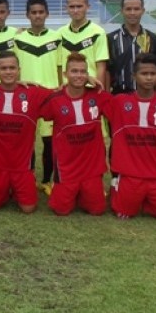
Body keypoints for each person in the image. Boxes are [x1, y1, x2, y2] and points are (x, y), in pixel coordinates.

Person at [0, 51, 50, 213]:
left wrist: (88, 81)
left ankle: (15, 188)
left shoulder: (33, 92)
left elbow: (63, 93)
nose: (8, 71)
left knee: (28, 209)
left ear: (19, 70)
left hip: (21, 166)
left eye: (12, 68)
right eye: (4, 68)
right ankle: (4, 190)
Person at [104, 52, 156, 222]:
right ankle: (117, 187)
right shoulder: (119, 102)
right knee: (123, 214)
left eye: (153, 74)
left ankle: (147, 200)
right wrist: (90, 80)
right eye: (144, 74)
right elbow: (93, 97)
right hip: (130, 175)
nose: (149, 78)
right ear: (134, 76)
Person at [40, 53, 110, 216]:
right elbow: (33, 99)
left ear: (88, 74)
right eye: (74, 71)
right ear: (65, 74)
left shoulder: (98, 96)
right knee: (60, 211)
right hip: (67, 169)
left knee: (97, 210)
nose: (78, 75)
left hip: (91, 169)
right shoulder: (55, 98)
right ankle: (72, 191)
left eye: (82, 72)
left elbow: (121, 109)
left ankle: (86, 192)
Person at [13, 0, 61, 194]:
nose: (38, 16)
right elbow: (14, 67)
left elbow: (60, 66)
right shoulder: (18, 39)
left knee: (50, 141)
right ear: (27, 15)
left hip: (50, 95)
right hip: (27, 96)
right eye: (34, 12)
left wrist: (60, 88)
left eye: (41, 12)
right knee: (26, 141)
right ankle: (28, 176)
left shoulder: (57, 38)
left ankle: (47, 180)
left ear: (47, 14)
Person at [106, 0, 156, 95]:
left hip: (147, 95)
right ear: (121, 11)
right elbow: (107, 70)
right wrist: (106, 96)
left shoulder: (153, 39)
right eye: (128, 9)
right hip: (120, 94)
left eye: (136, 9)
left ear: (143, 11)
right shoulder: (111, 39)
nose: (132, 13)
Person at [58, 0, 109, 83]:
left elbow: (101, 66)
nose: (75, 10)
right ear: (66, 8)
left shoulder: (98, 33)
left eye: (79, 6)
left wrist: (98, 90)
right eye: (72, 7)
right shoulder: (60, 34)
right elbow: (59, 66)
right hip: (66, 90)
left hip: (89, 88)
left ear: (88, 7)